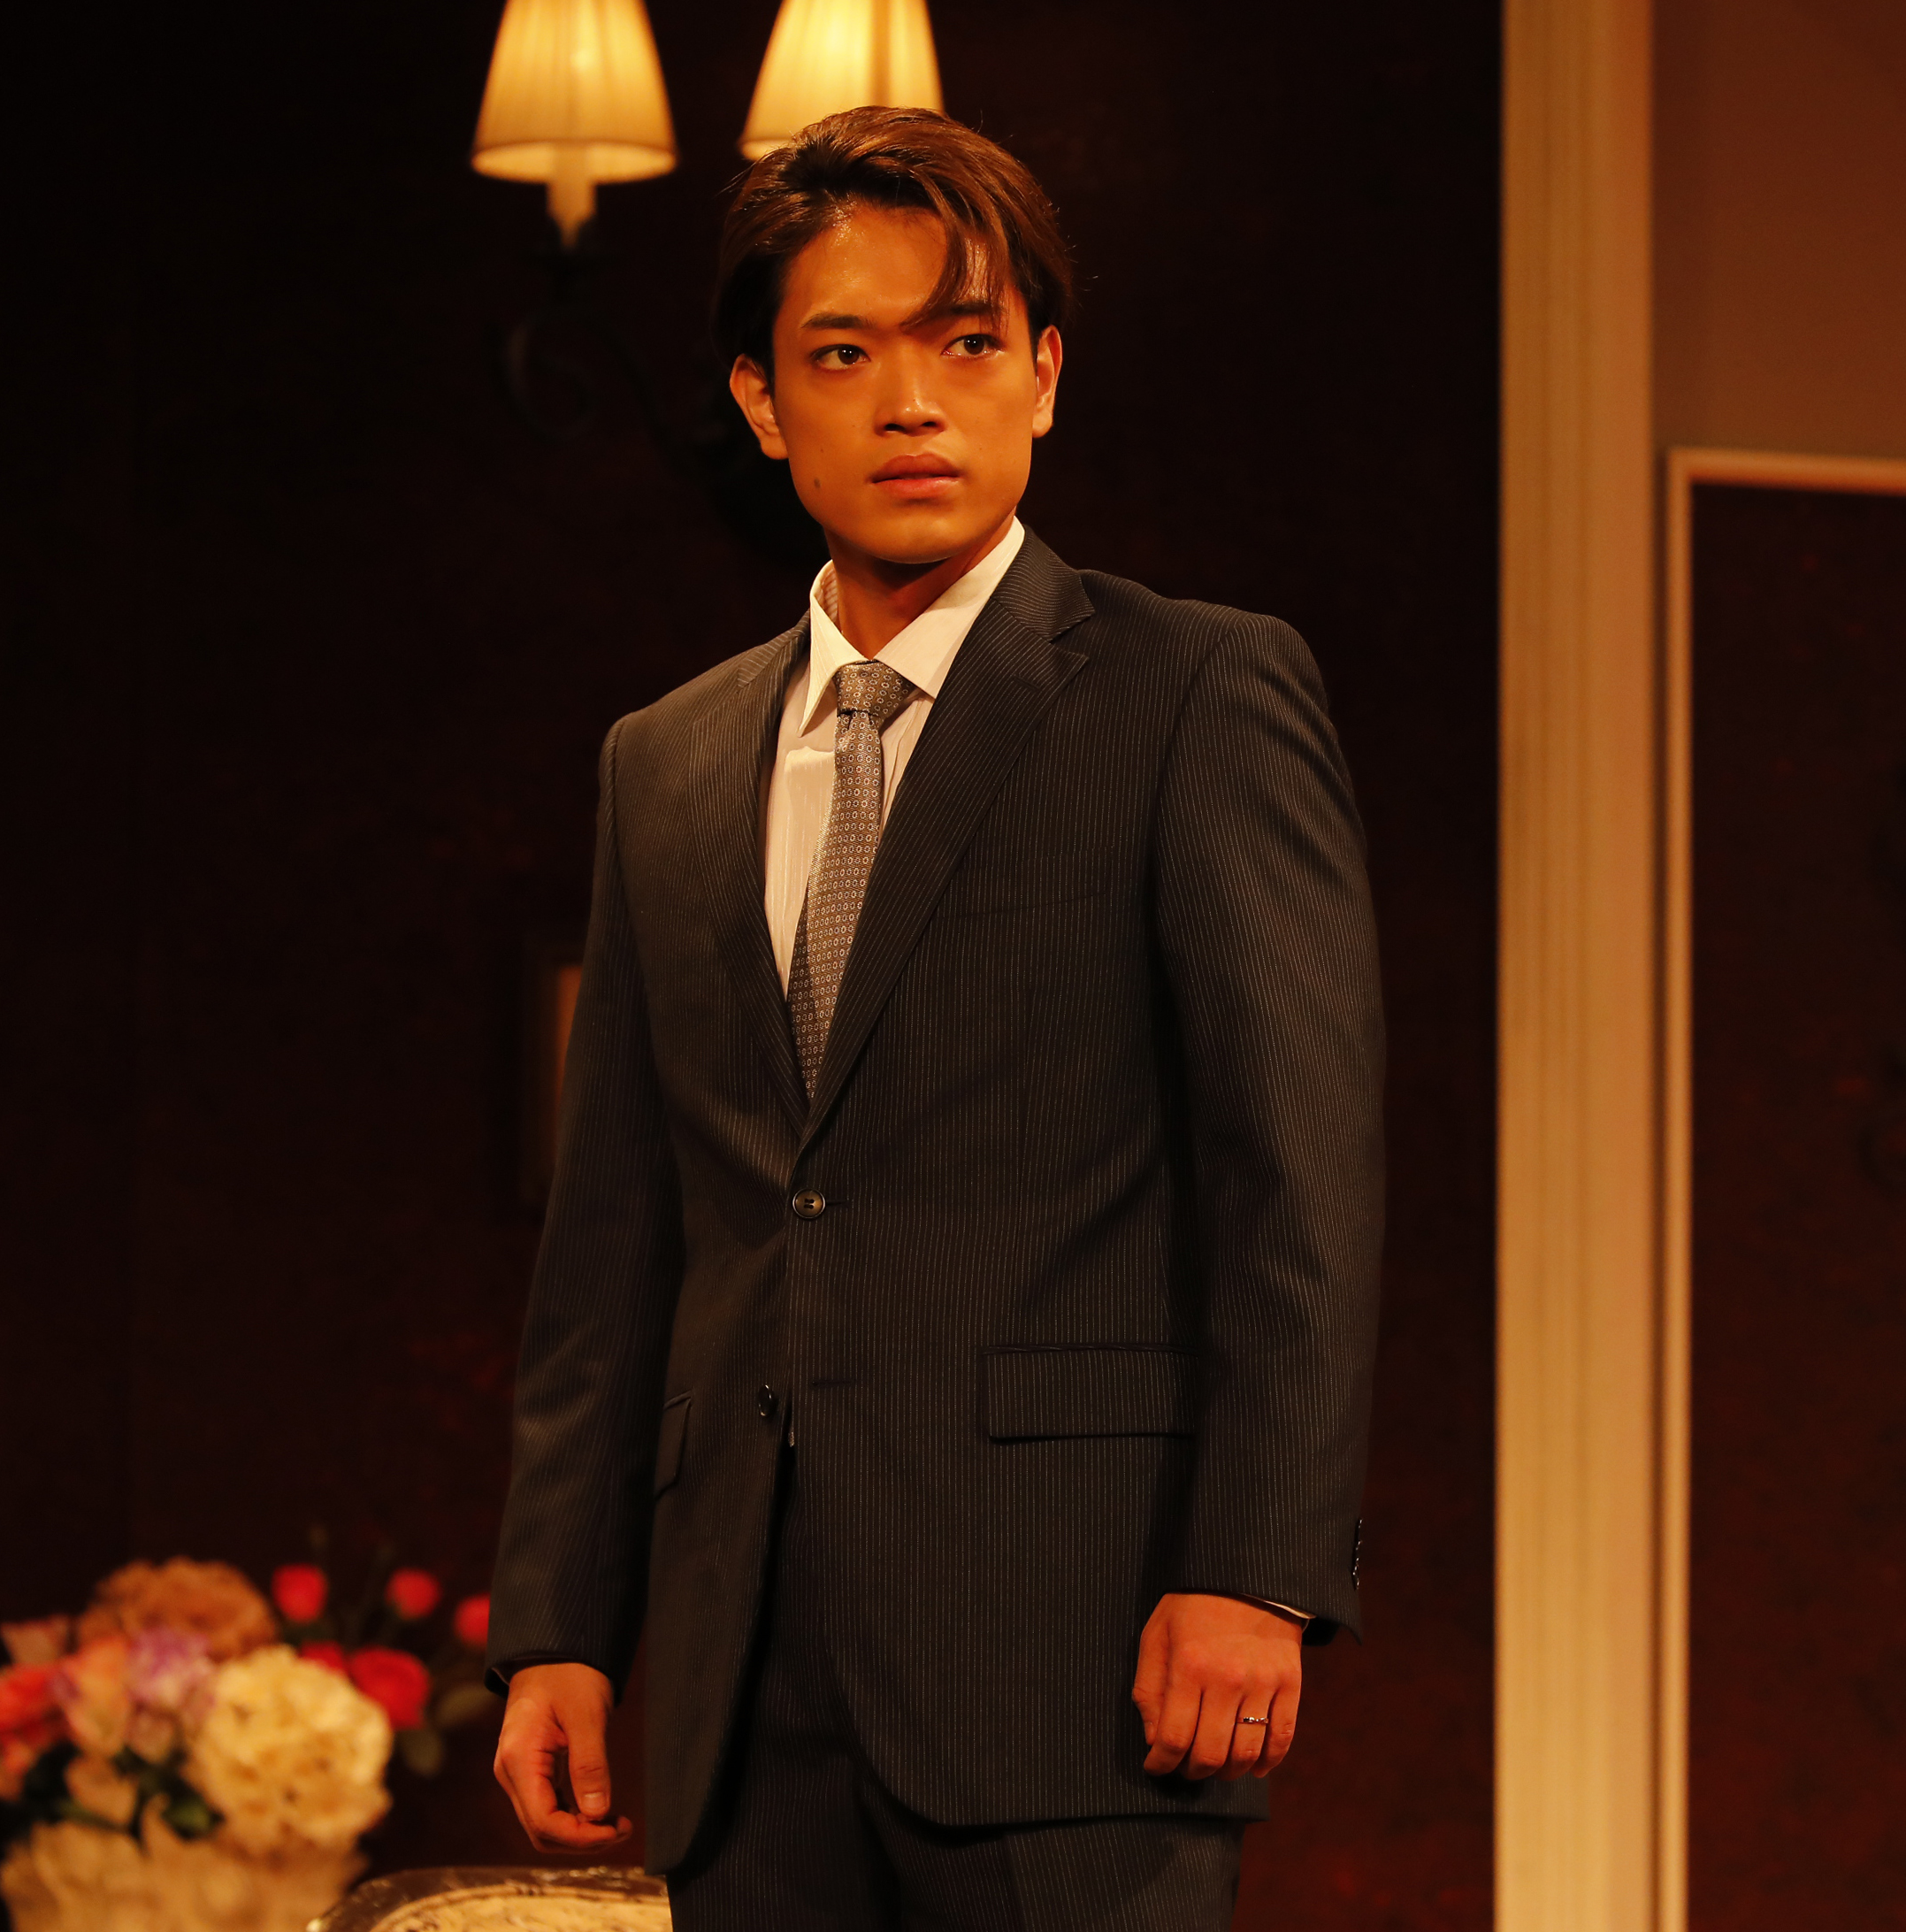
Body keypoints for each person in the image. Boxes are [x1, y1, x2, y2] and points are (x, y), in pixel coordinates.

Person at [481, 105, 1383, 1932]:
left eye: (966, 343)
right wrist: (560, 1624)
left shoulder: (1195, 692)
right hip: (743, 1678)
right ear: (760, 403)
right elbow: (618, 1240)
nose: (913, 403)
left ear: (1042, 375)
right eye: (844, 355)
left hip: (1079, 1652)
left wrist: (1258, 1569)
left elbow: (1298, 1173)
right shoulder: (665, 762)